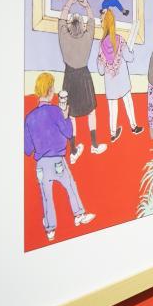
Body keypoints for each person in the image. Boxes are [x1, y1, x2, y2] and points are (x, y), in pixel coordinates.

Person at [24, 72, 95, 242]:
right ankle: (79, 215)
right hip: (57, 160)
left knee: (46, 197)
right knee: (70, 185)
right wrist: (65, 116)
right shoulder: (55, 111)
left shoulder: (29, 118)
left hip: (41, 165)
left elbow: (28, 149)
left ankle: (50, 230)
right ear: (49, 91)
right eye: (53, 88)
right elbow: (69, 133)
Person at [57, 0, 105, 158]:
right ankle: (94, 145)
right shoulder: (87, 37)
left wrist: (70, 1)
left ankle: (73, 151)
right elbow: (92, 21)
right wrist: (86, 5)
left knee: (71, 115)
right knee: (91, 112)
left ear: (69, 26)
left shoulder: (63, 37)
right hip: (84, 78)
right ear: (82, 27)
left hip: (69, 78)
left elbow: (61, 19)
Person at [96, 9, 141, 142]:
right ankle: (134, 127)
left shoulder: (101, 46)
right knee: (128, 102)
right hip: (123, 80)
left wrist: (100, 61)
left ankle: (113, 133)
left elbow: (101, 71)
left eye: (101, 21)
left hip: (110, 83)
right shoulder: (120, 40)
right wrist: (131, 51)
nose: (100, 23)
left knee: (112, 108)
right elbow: (130, 58)